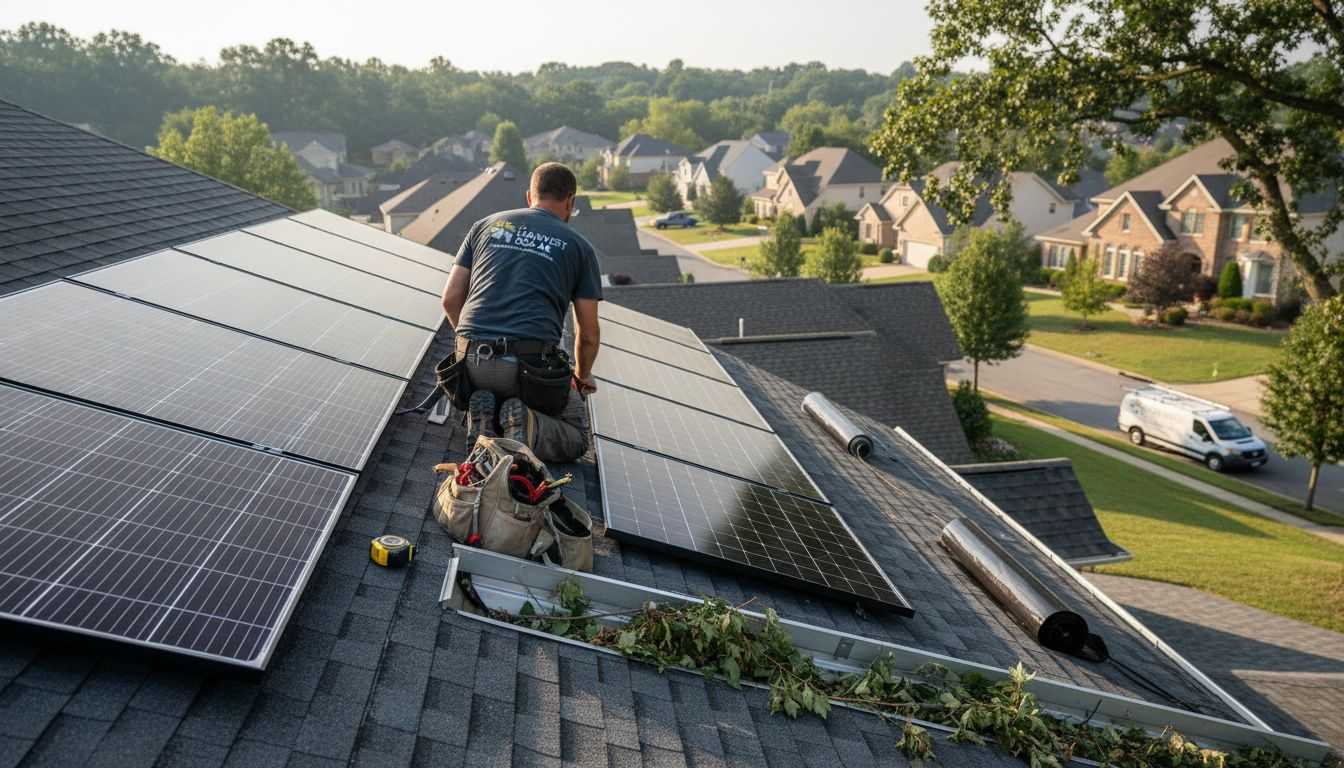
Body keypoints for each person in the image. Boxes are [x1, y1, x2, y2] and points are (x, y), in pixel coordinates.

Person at [439, 162, 601, 462]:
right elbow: (588, 335)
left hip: (468, 368)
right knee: (578, 436)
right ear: (571, 201)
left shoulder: (485, 225)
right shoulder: (580, 247)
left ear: (530, 196)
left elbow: (450, 299)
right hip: (529, 371)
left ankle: (489, 422)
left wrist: (469, 343)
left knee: (496, 389)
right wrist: (581, 376)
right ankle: (524, 430)